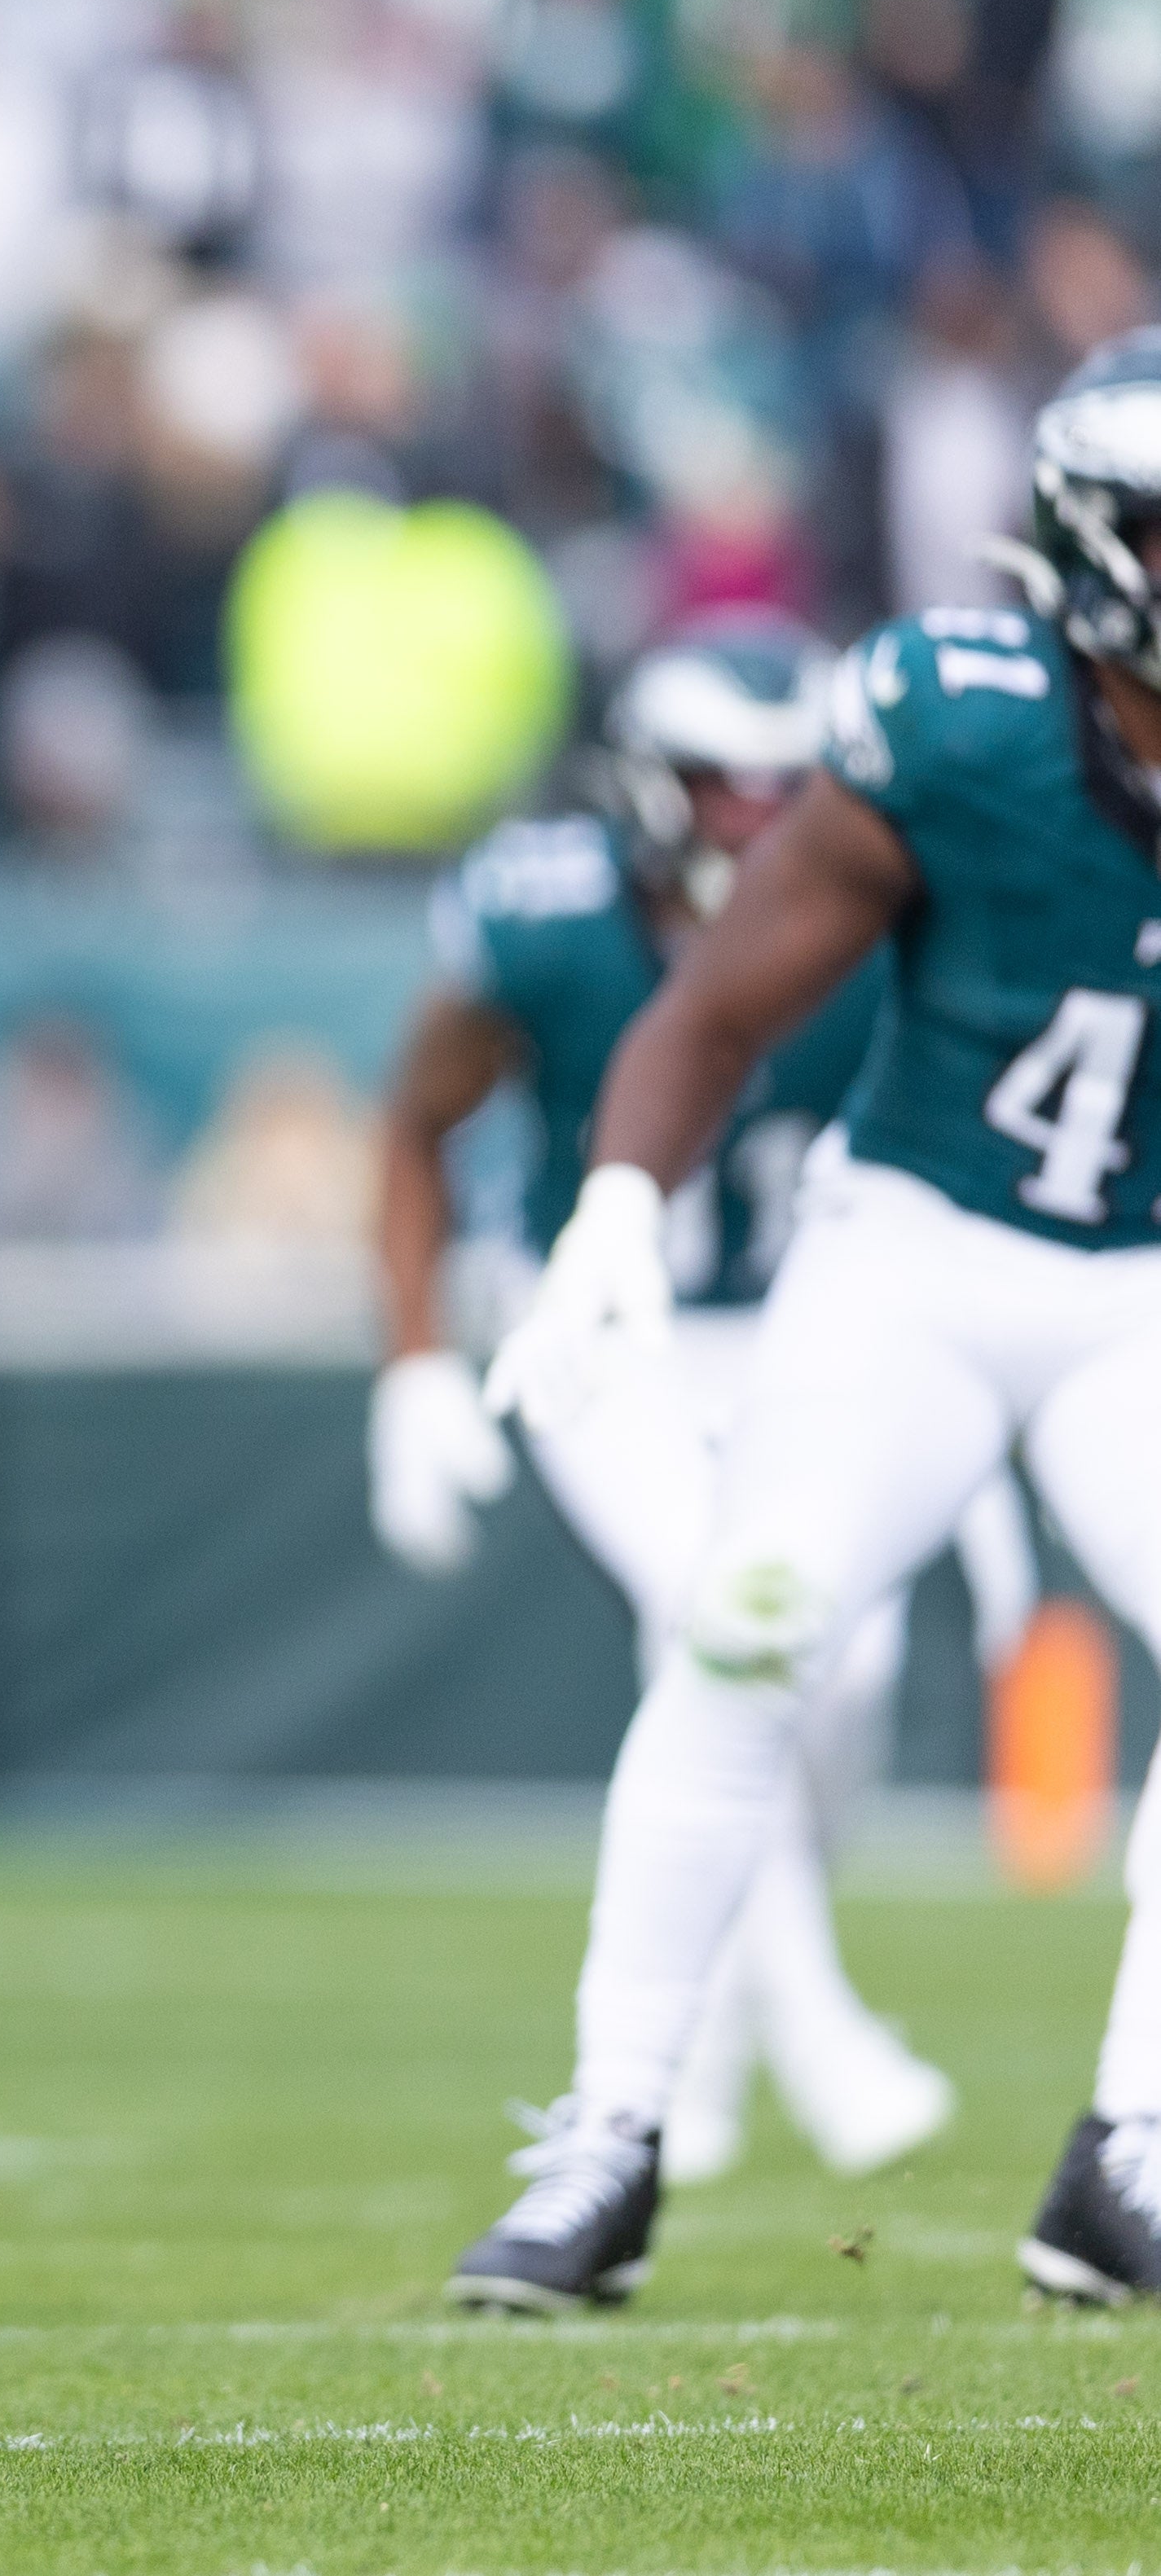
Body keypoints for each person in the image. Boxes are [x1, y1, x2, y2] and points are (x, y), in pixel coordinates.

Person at [446, 331, 1161, 2316]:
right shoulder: (961, 720)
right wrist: (607, 1209)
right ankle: (609, 2137)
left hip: (1144, 1285)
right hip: (918, 1254)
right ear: (1101, 547)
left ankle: (1131, 2154)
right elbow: (717, 1005)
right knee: (748, 1625)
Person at [375, 618, 1030, 2207]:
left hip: (817, 1323)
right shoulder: (547, 916)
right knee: (708, 1608)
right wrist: (411, 1359)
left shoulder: (875, 908)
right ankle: (817, 2032)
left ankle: (711, 2048)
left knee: (846, 1666)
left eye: (781, 783)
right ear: (648, 781)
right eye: (724, 786)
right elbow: (411, 1124)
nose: (756, 816)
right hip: (609, 1329)